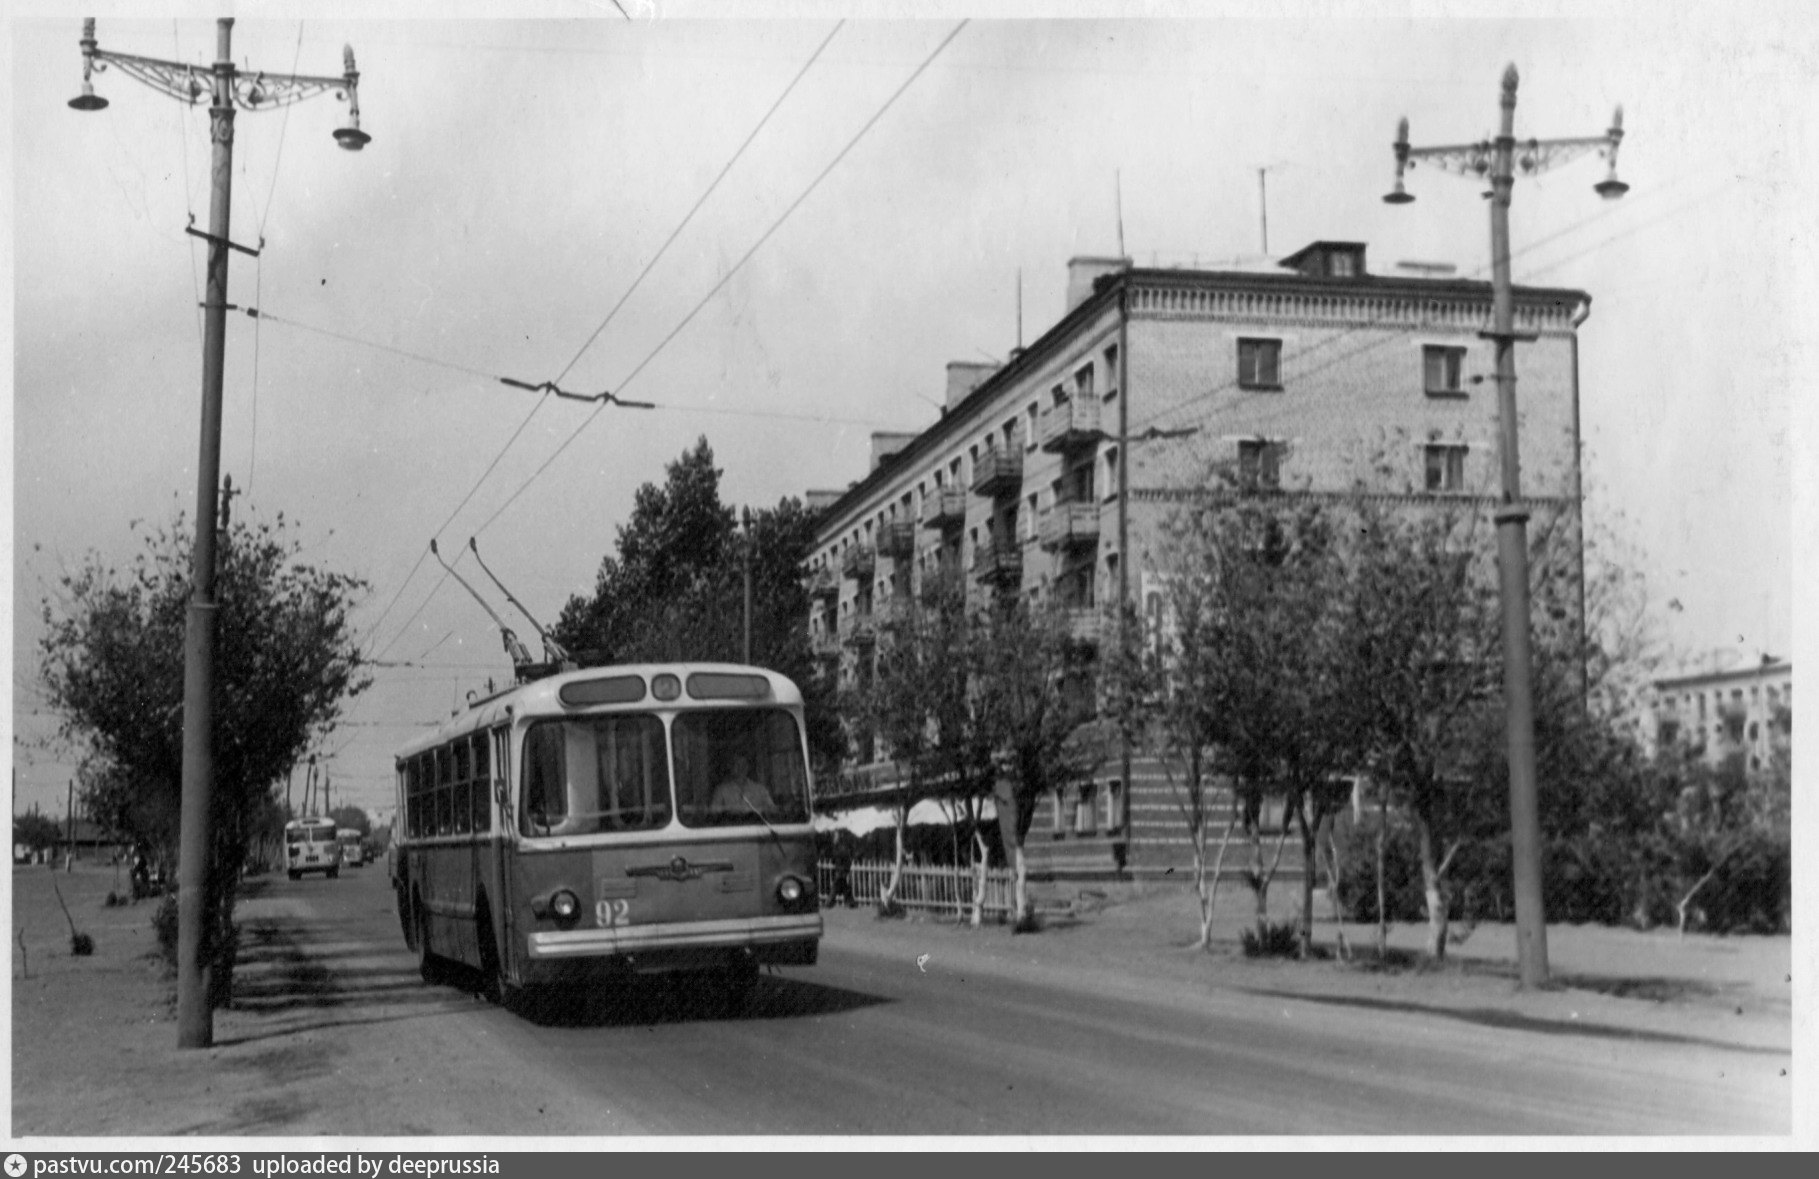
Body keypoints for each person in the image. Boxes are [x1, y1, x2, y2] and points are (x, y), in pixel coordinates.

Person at [710, 755, 774, 813]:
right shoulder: (721, 790)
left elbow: (772, 809)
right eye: (737, 765)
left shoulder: (760, 789)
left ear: (748, 767)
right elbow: (714, 812)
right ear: (731, 768)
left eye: (744, 765)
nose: (741, 768)